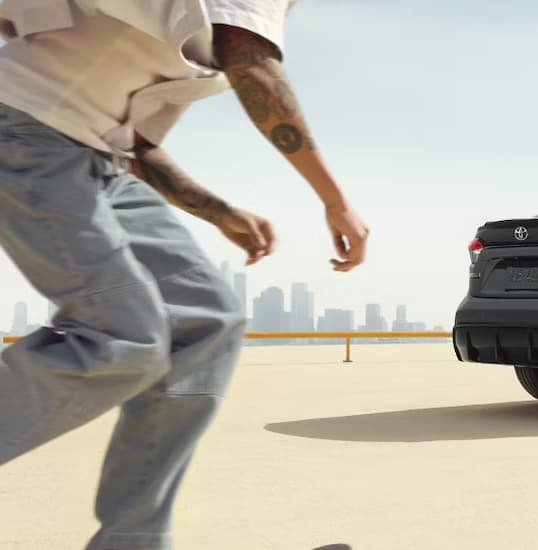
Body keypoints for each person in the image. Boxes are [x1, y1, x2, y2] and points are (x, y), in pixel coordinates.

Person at [0, 1, 369, 548]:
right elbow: (250, 64)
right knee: (123, 334)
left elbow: (137, 144)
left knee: (207, 321)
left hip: (98, 156)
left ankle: (134, 541)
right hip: (26, 133)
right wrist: (335, 201)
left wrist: (218, 211)